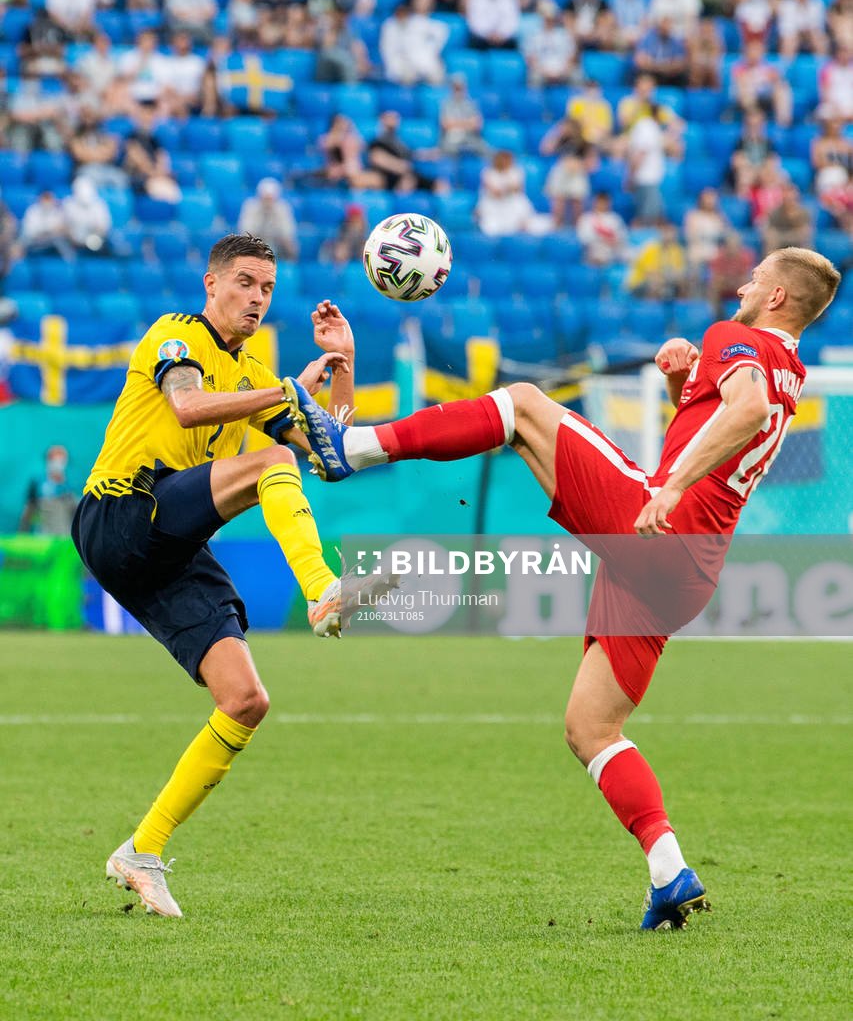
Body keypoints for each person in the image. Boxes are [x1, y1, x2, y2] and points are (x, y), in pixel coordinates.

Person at [286, 248, 842, 931]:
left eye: (755, 277)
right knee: (591, 728)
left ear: (779, 297)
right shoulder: (789, 368)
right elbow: (727, 423)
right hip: (688, 572)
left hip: (656, 530)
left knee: (521, 406)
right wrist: (678, 390)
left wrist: (668, 486)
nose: (741, 283)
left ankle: (354, 447)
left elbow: (744, 410)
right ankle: (669, 874)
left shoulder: (738, 340)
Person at [72, 234, 388, 919]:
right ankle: (322, 590)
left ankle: (141, 851)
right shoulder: (176, 333)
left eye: (268, 289)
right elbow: (186, 406)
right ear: (211, 283)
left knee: (245, 699)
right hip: (121, 512)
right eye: (245, 282)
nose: (257, 297)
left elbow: (330, 455)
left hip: (169, 547)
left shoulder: (255, 376)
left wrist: (342, 367)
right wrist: (284, 393)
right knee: (272, 458)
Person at [19, 445, 79, 536]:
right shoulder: (38, 484)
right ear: (48, 460)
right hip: (44, 540)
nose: (58, 463)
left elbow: (77, 514)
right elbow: (28, 513)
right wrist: (22, 535)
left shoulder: (71, 486)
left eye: (61, 459)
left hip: (65, 539)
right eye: (54, 459)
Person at [236, 178, 299, 262]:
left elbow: (288, 235)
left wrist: (275, 221)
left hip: (278, 251)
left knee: (292, 246)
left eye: (271, 199)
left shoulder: (283, 208)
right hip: (254, 251)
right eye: (265, 199)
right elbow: (245, 234)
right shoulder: (250, 206)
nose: (268, 202)